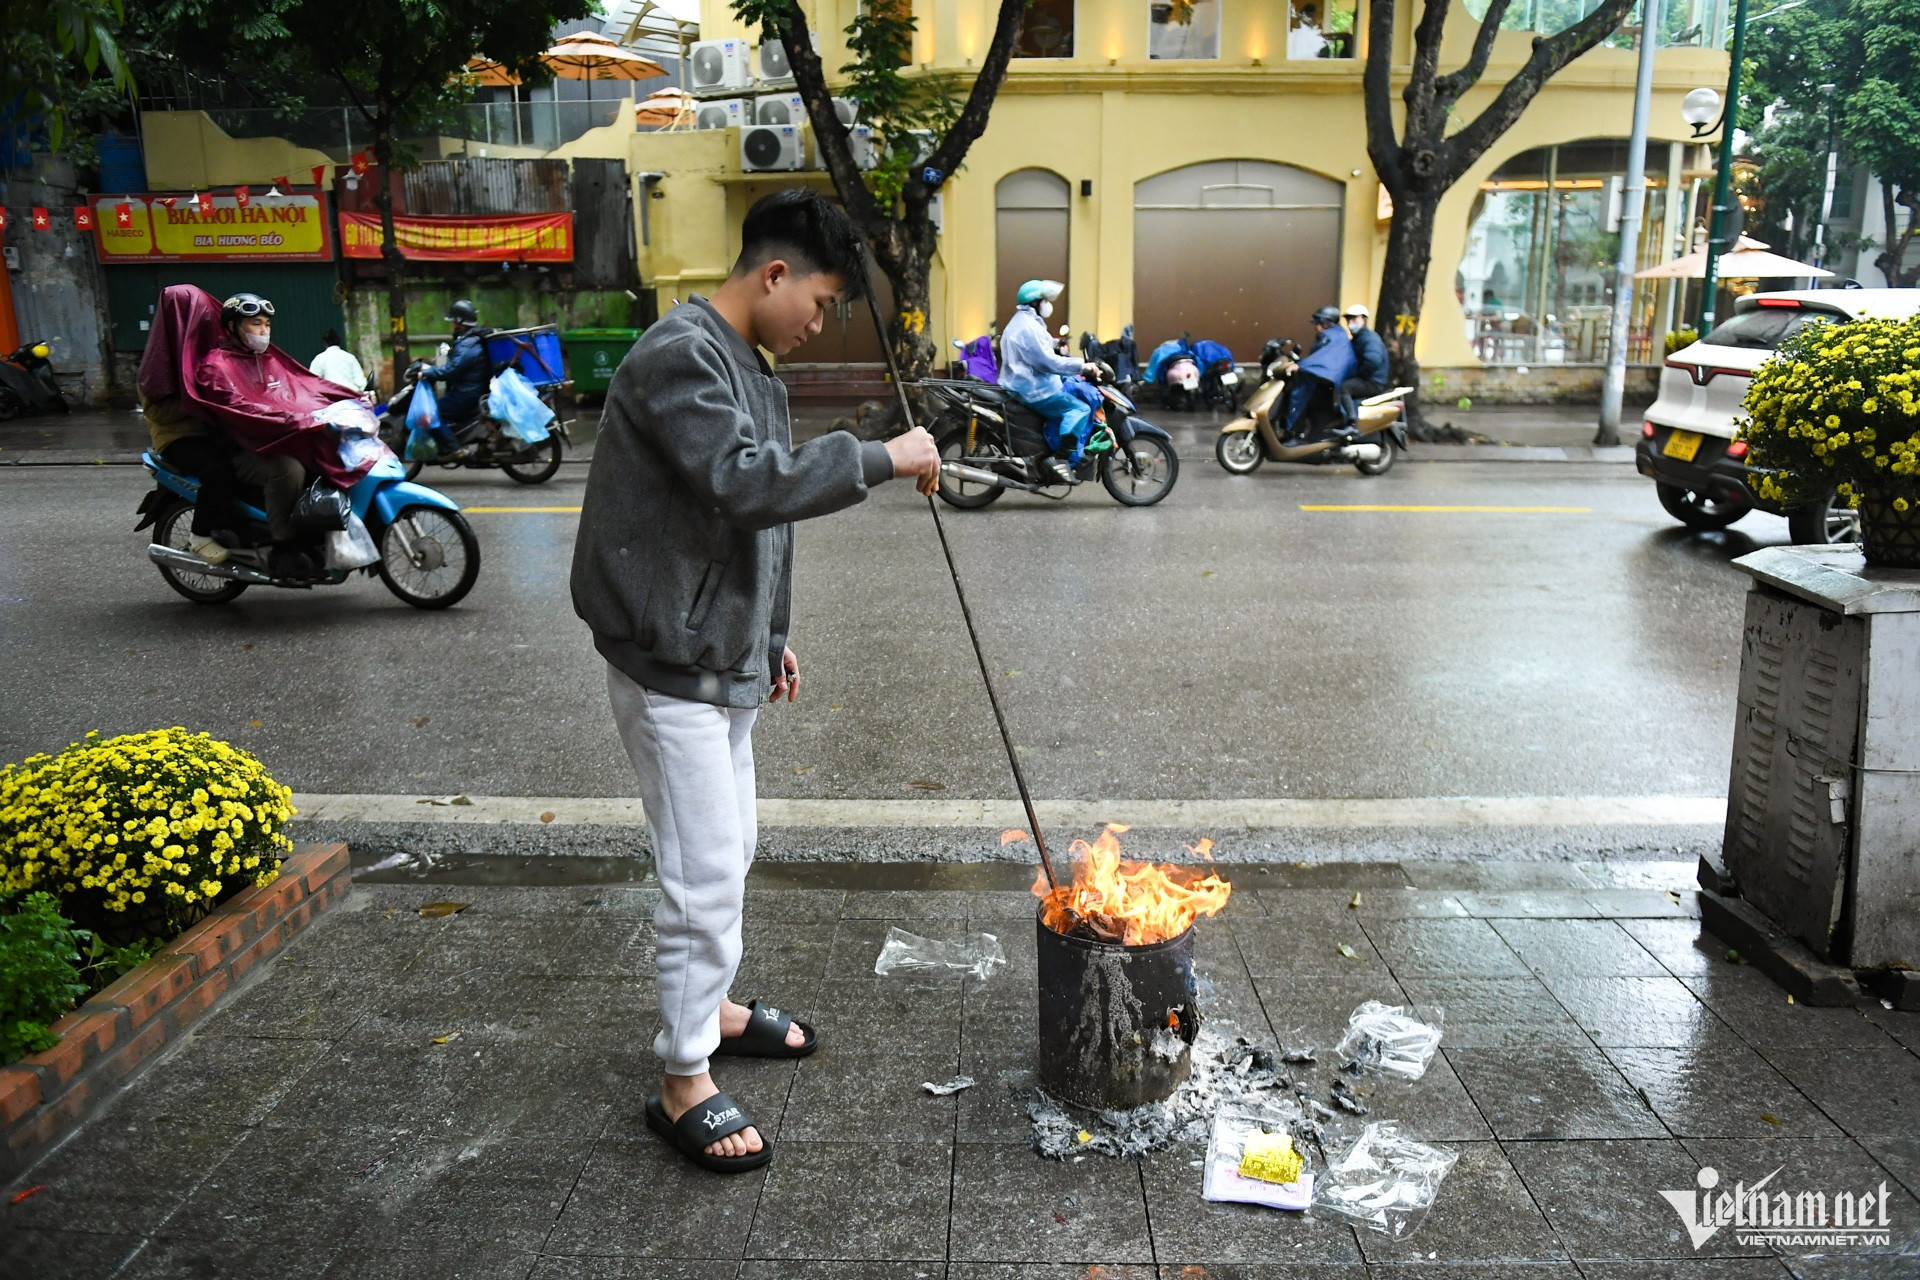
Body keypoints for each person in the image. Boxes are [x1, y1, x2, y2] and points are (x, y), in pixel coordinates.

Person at [569, 188, 939, 1175]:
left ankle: (716, 1007)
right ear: (772, 273)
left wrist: (771, 632)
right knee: (701, 873)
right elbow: (744, 480)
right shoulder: (679, 356)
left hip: (721, 654)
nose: (817, 325)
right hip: (671, 662)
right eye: (817, 302)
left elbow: (759, 520)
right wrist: (882, 457)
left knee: (730, 852)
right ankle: (683, 1075)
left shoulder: (747, 368)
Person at [139, 286, 380, 578]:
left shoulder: (257, 358)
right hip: (187, 439)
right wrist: (197, 401)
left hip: (245, 434)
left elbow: (303, 385)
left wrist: (346, 399)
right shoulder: (194, 367)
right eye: (256, 324)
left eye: (267, 324)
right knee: (238, 471)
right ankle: (273, 541)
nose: (263, 331)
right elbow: (231, 407)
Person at [998, 279, 1101, 482]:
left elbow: (1039, 349)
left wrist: (1054, 343)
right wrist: (1082, 365)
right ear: (1035, 302)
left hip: (1026, 383)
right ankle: (1060, 459)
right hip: (1033, 389)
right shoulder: (1027, 327)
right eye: (1045, 300)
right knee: (1079, 409)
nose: (1048, 304)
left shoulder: (1025, 321)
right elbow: (1048, 363)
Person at [415, 299, 491, 453]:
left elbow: (452, 369)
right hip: (470, 389)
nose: (452, 325)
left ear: (459, 322)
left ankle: (453, 448)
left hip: (466, 393)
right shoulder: (470, 340)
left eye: (453, 322)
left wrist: (428, 373)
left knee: (431, 414)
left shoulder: (468, 344)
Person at [1280, 304, 1356, 441]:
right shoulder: (1337, 334)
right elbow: (1320, 357)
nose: (1316, 327)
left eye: (1319, 323)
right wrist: (1303, 363)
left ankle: (1295, 434)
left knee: (1300, 397)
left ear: (1327, 322)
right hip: (1328, 380)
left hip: (1329, 381)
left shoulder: (1330, 336)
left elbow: (1324, 358)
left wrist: (1301, 366)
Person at [1338, 303, 1391, 423]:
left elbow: (1372, 361)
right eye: (1348, 319)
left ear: (1364, 319)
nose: (1351, 322)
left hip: (1374, 381)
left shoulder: (1369, 338)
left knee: (1344, 387)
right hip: (1370, 379)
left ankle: (1352, 423)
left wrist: (1359, 374)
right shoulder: (1357, 338)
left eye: (1354, 318)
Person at [309, 329, 368, 393]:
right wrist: (370, 393)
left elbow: (313, 381)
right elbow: (360, 381)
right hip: (352, 396)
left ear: (325, 343)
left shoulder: (319, 359)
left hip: (332, 398)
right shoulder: (350, 358)